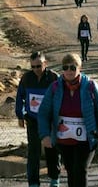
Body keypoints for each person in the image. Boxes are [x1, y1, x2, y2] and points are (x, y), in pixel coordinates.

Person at [38, 53, 98, 187]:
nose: (69, 71)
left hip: (86, 138)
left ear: (80, 68)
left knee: (80, 169)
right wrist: (45, 135)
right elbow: (43, 112)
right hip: (64, 139)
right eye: (65, 67)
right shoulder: (55, 87)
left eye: (73, 67)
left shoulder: (90, 86)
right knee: (71, 171)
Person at [15, 52, 61, 187]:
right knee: (33, 151)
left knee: (52, 149)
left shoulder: (53, 77)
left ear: (45, 63)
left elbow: (60, 97)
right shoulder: (27, 78)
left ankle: (54, 178)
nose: (36, 69)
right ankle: (33, 182)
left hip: (50, 120)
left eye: (39, 66)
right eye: (33, 66)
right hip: (33, 120)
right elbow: (20, 97)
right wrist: (20, 115)